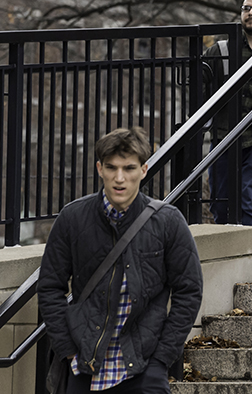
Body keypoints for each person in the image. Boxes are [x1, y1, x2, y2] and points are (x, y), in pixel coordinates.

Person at [37, 128, 203, 394]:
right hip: (85, 365)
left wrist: (162, 359)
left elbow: (189, 291)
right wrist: (67, 350)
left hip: (143, 367)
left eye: (129, 168)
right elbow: (49, 287)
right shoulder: (73, 218)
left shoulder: (168, 222)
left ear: (144, 170)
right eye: (111, 168)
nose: (119, 178)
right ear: (99, 169)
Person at [204, 0, 252, 226]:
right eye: (246, 8)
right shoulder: (221, 50)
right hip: (223, 139)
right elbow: (196, 87)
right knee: (219, 203)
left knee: (251, 201)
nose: (251, 13)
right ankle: (224, 248)